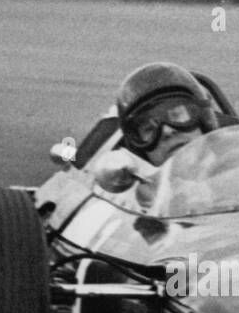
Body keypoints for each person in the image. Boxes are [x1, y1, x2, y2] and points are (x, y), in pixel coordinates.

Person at [91, 64, 222, 208]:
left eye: (176, 115)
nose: (167, 131)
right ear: (141, 149)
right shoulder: (141, 203)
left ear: (203, 119)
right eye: (149, 128)